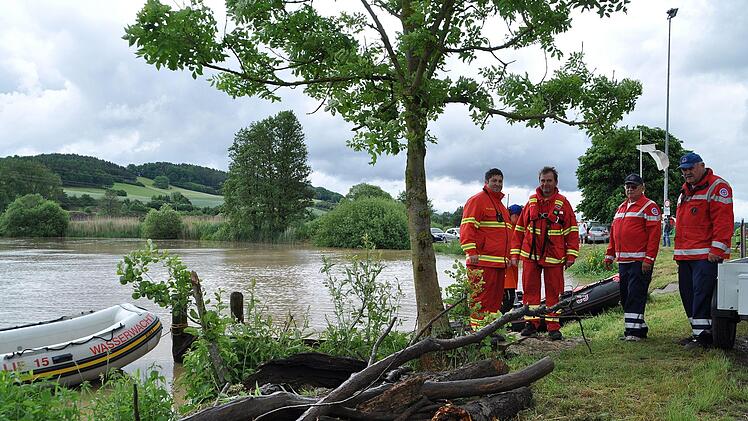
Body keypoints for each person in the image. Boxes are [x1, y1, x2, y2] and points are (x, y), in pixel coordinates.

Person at [509, 167, 579, 340]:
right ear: (539, 181)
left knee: (554, 292)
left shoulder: (563, 203)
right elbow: (519, 229)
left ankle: (553, 327)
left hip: (554, 255)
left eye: (549, 180)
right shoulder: (532, 202)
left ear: (555, 182)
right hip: (531, 255)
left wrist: (571, 255)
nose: (545, 184)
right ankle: (531, 324)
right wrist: (515, 254)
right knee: (530, 291)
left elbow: (572, 230)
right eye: (543, 180)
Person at [674, 152, 734, 349]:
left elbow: (723, 222)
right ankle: (697, 333)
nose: (687, 173)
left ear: (702, 166)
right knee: (688, 294)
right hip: (686, 255)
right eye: (684, 170)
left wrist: (717, 249)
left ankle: (705, 337)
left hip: (705, 255)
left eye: (690, 168)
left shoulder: (718, 187)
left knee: (702, 295)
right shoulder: (684, 191)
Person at [603, 174, 661, 341]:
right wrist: (610, 254)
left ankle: (633, 333)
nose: (630, 189)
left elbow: (654, 235)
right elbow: (614, 234)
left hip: (639, 261)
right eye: (627, 186)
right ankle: (637, 328)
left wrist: (649, 259)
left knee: (636, 294)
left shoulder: (649, 207)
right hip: (624, 261)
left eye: (634, 186)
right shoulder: (621, 207)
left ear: (642, 187)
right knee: (625, 295)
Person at [459, 168, 513, 328]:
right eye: (494, 181)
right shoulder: (477, 200)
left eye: (500, 181)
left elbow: (506, 235)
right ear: (486, 182)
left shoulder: (501, 206)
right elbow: (468, 227)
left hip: (498, 263)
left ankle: (489, 331)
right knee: (479, 300)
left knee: (495, 301)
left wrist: (508, 257)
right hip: (481, 261)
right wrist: (471, 251)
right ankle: (477, 334)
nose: (497, 184)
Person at [500, 204, 523, 314]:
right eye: (519, 216)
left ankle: (500, 318)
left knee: (509, 298)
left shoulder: (518, 229)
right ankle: (498, 319)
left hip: (512, 269)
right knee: (508, 299)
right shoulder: (506, 228)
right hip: (506, 268)